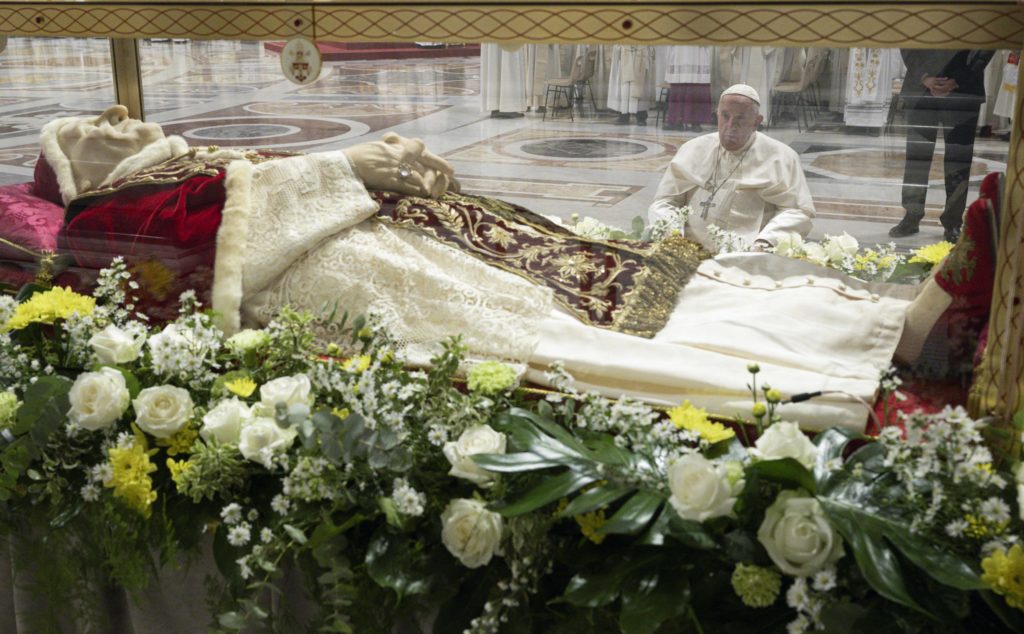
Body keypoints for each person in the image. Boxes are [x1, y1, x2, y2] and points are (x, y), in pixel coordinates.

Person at [37, 105, 969, 433]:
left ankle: (888, 321)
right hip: (350, 273)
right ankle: (848, 363)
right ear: (75, 167)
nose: (120, 116)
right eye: (92, 129)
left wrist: (390, 167)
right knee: (559, 339)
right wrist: (346, 168)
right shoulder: (106, 211)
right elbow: (208, 245)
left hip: (399, 229)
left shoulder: (165, 164)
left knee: (639, 278)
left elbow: (250, 187)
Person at [648, 84, 815, 252]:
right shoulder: (694, 148)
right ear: (717, 115)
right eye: (725, 116)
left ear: (757, 122)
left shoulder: (781, 157)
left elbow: (797, 212)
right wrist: (673, 235)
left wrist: (765, 242)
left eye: (740, 118)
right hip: (687, 249)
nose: (730, 125)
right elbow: (665, 201)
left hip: (746, 254)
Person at [889, 49, 995, 243]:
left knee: (958, 160)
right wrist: (925, 76)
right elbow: (907, 40)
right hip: (920, 89)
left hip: (964, 90)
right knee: (917, 158)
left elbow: (984, 47)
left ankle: (953, 221)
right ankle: (912, 215)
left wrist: (957, 79)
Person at [607, 46, 656, 125]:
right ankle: (623, 114)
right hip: (626, 50)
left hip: (641, 49)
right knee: (625, 86)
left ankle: (641, 116)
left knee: (640, 86)